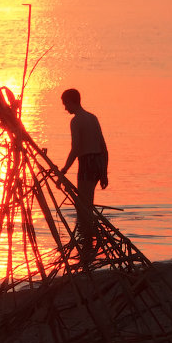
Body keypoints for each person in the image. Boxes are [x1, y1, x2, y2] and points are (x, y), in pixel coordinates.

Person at [60, 88, 109, 255]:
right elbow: (103, 147)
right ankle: (89, 238)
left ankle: (89, 241)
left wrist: (64, 170)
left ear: (72, 102)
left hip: (87, 163)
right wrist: (104, 172)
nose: (65, 108)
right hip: (97, 162)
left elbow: (76, 149)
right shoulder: (92, 117)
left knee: (83, 206)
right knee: (86, 203)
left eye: (65, 104)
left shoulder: (76, 121)